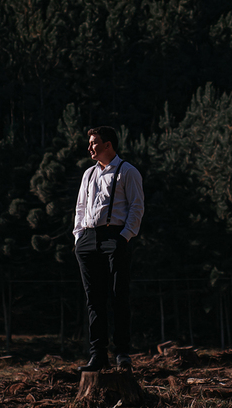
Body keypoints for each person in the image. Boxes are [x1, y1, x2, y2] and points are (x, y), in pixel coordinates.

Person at [73, 126, 144, 372]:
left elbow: (137, 207)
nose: (90, 147)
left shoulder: (128, 171)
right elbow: (80, 208)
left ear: (108, 145)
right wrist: (78, 237)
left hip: (115, 237)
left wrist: (124, 237)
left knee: (118, 296)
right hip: (88, 239)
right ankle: (98, 354)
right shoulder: (88, 174)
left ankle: (122, 353)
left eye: (94, 142)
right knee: (94, 299)